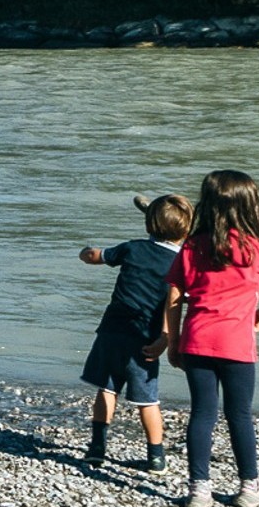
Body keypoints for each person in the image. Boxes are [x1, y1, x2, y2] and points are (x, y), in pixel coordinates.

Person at [163, 170, 259, 507]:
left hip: (197, 340)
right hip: (237, 346)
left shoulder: (192, 245)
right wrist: (258, 319)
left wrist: (173, 341)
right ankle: (249, 488)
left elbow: (173, 295)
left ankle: (199, 492)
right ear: (250, 206)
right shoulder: (258, 248)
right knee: (239, 415)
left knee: (201, 413)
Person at [75, 194, 191, 472]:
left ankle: (97, 448)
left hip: (112, 331)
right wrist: (166, 338)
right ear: (185, 232)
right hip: (146, 338)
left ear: (149, 226)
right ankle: (156, 456)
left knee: (107, 389)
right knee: (148, 400)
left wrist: (86, 251)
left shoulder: (133, 248)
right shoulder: (181, 265)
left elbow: (96, 256)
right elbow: (176, 301)